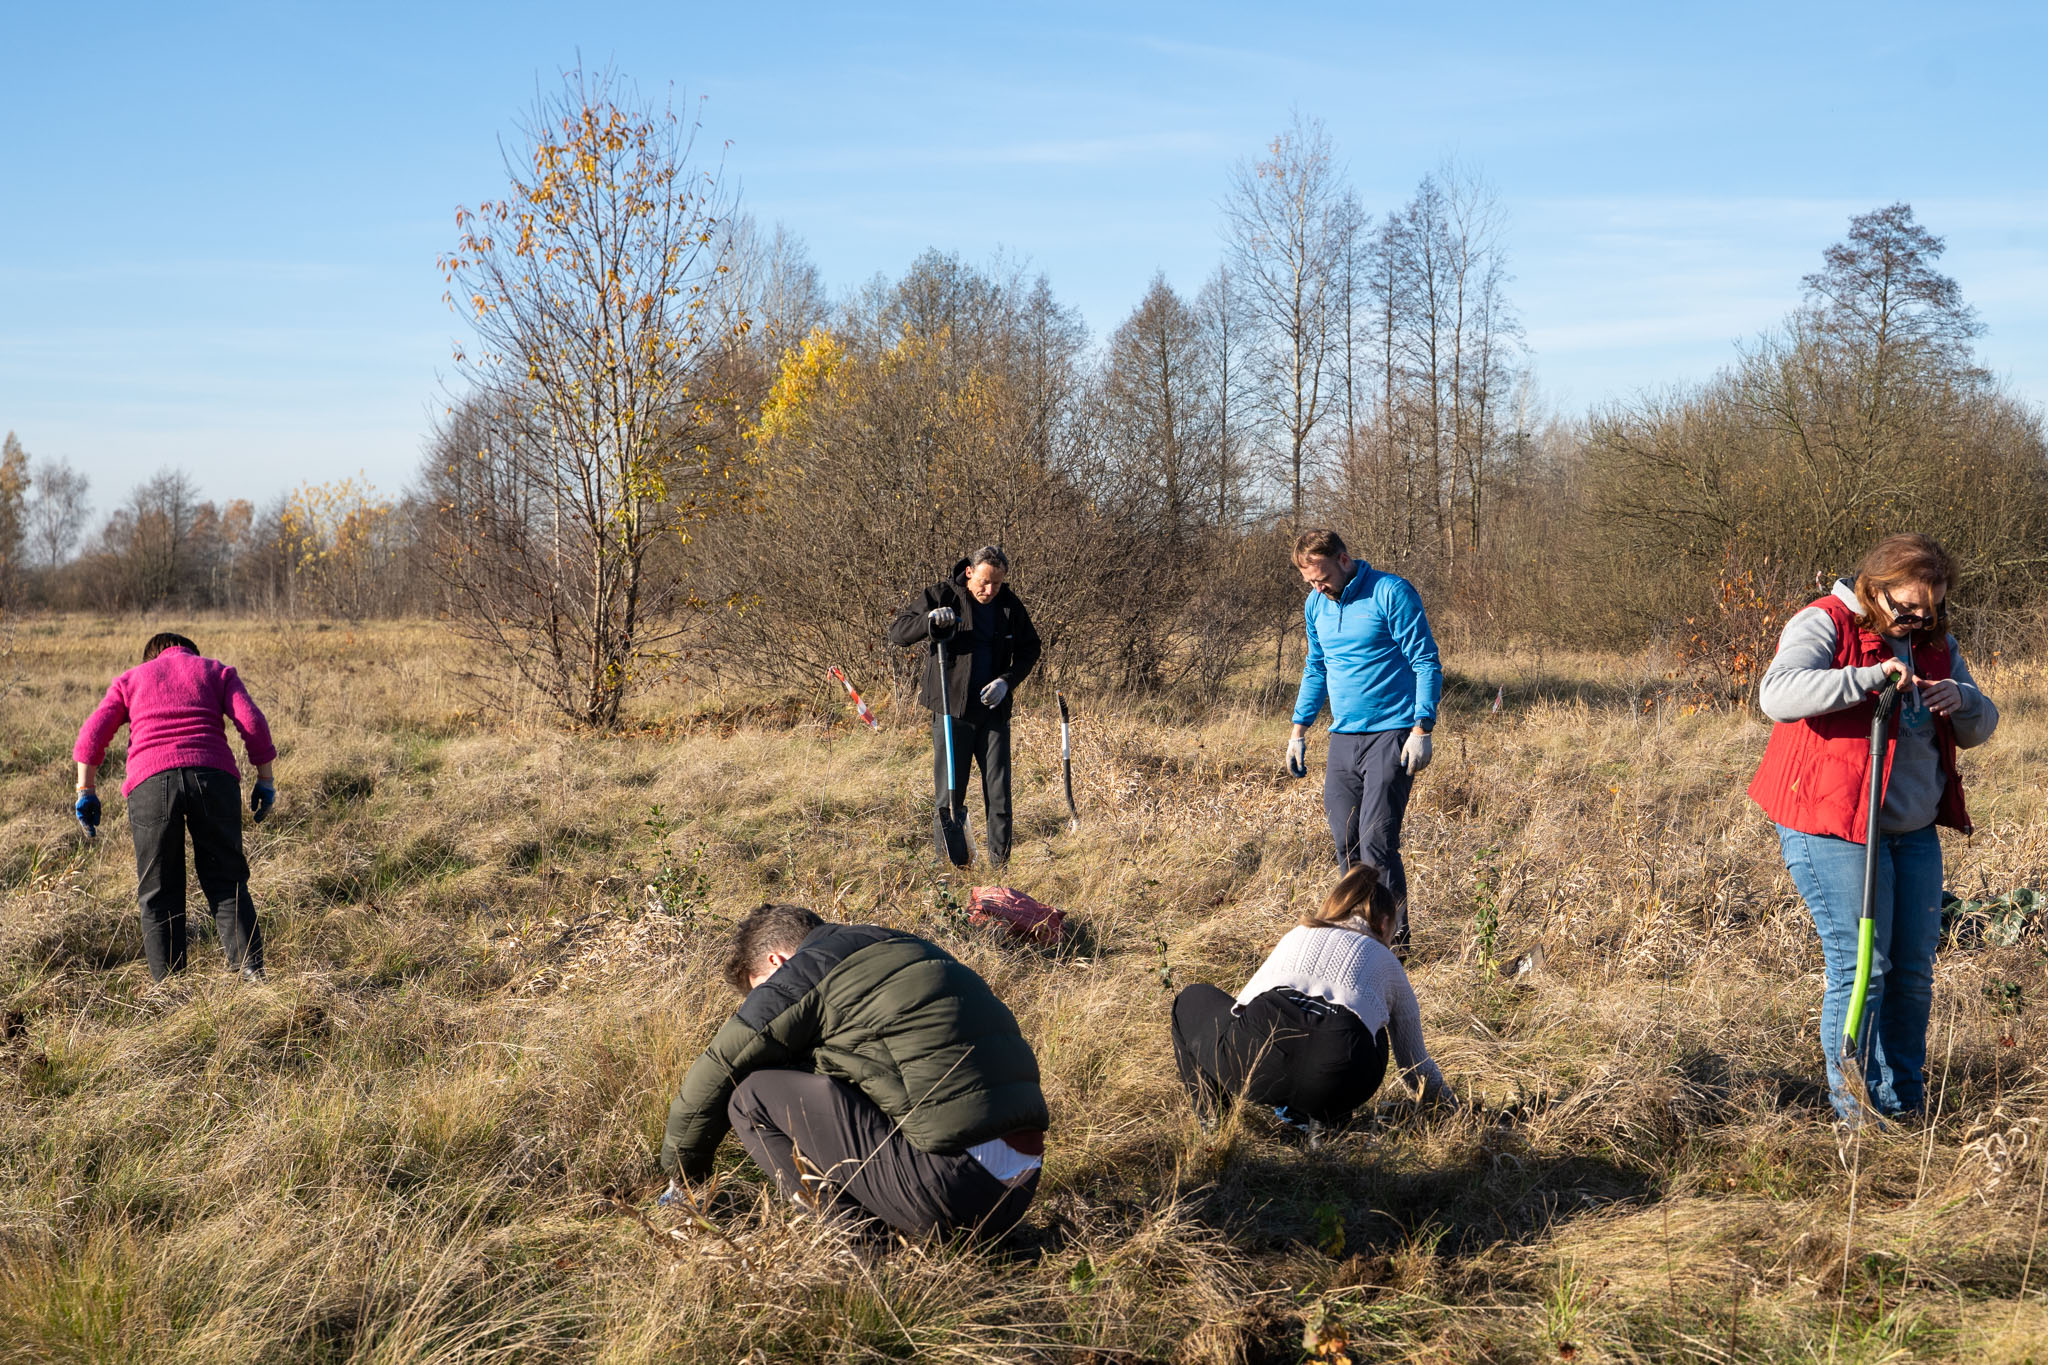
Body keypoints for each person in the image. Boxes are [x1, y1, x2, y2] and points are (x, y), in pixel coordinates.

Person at [1749, 533, 1998, 1126]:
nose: (1917, 622)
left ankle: (1902, 1106)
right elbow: (1776, 694)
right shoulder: (1825, 621)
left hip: (1913, 832)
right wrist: (1866, 678)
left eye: (1930, 611)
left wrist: (1961, 698)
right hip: (1832, 827)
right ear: (1874, 587)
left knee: (1911, 973)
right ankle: (1856, 1117)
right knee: (1864, 969)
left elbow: (1979, 726)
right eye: (1907, 608)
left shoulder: (1937, 646)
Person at [659, 902, 1049, 1240]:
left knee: (750, 1096)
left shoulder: (806, 972)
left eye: (760, 989)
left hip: (951, 1189)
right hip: (1018, 1188)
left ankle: (864, 1251)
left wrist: (684, 1180)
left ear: (777, 961)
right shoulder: (903, 947)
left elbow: (716, 1070)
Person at [1171, 864, 1451, 1131]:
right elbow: (1415, 1065)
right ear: (1385, 922)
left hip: (1256, 1068)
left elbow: (1242, 1008)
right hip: (1339, 1082)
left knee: (1190, 999)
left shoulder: (1299, 934)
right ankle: (1325, 1124)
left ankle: (1214, 1125)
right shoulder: (1388, 963)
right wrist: (1453, 1110)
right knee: (1368, 1030)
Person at [72, 632, 278, 982]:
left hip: (150, 782)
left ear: (151, 657)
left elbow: (91, 735)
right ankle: (252, 975)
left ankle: (170, 991)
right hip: (212, 777)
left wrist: (86, 790)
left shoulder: (131, 680)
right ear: (192, 653)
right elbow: (253, 723)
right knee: (227, 881)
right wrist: (265, 778)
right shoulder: (215, 671)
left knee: (158, 892)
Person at [1286, 528, 1442, 948]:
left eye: (1322, 578)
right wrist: (1299, 730)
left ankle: (1394, 944)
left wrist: (1422, 728)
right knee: (1346, 839)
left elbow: (1426, 661)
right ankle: (1358, 935)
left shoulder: (1390, 592)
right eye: (1310, 582)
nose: (1318, 588)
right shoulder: (1316, 604)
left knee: (1377, 841)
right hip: (1343, 735)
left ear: (1343, 559)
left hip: (1392, 731)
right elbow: (1316, 667)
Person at [885, 545, 1041, 868]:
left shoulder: (1009, 605)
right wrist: (929, 620)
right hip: (951, 711)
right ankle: (952, 866)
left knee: (999, 794)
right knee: (950, 795)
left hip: (994, 714)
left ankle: (1000, 869)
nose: (990, 590)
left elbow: (1031, 649)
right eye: (984, 582)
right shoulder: (942, 595)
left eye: (997, 583)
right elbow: (898, 632)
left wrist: (1006, 681)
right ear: (969, 572)